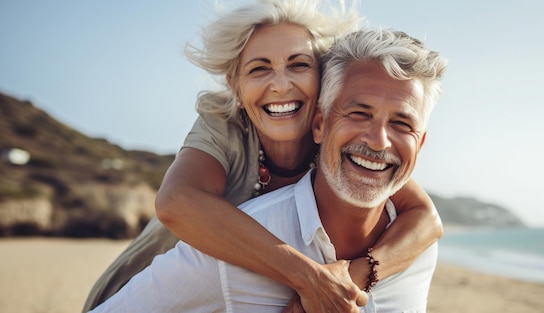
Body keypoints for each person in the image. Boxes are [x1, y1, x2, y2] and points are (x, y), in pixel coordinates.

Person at [83, 1, 443, 312]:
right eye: (259, 68)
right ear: (235, 87)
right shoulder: (225, 126)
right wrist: (310, 280)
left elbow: (425, 218)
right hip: (140, 289)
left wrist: (353, 278)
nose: (281, 84)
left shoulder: (347, 143)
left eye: (299, 65)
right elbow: (177, 202)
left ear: (322, 81)